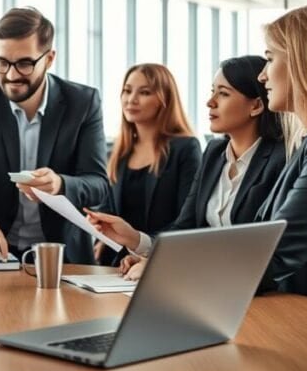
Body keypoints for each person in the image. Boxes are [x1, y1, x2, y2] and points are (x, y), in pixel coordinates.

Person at [90, 3, 307, 324]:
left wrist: (167, 269)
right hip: (296, 312)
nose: (263, 76)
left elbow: (274, 251)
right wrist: (153, 253)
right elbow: (253, 237)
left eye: (270, 58)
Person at [93, 56, 287, 278]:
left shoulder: (280, 159)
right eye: (212, 91)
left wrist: (168, 264)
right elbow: (185, 228)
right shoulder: (214, 153)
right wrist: (138, 242)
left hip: (253, 287)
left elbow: (260, 248)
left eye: (223, 93)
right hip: (208, 285)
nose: (210, 102)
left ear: (256, 105)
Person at [0, 7, 112, 265]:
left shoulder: (83, 103)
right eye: (2, 62)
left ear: (49, 58)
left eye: (24, 63)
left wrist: (60, 184)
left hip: (62, 256)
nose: (11, 75)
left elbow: (98, 184)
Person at [95, 63, 200, 266]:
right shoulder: (119, 153)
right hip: (116, 266)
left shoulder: (185, 148)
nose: (131, 99)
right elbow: (109, 211)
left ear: (164, 99)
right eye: (127, 91)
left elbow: (187, 220)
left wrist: (143, 247)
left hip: (163, 262)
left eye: (144, 92)